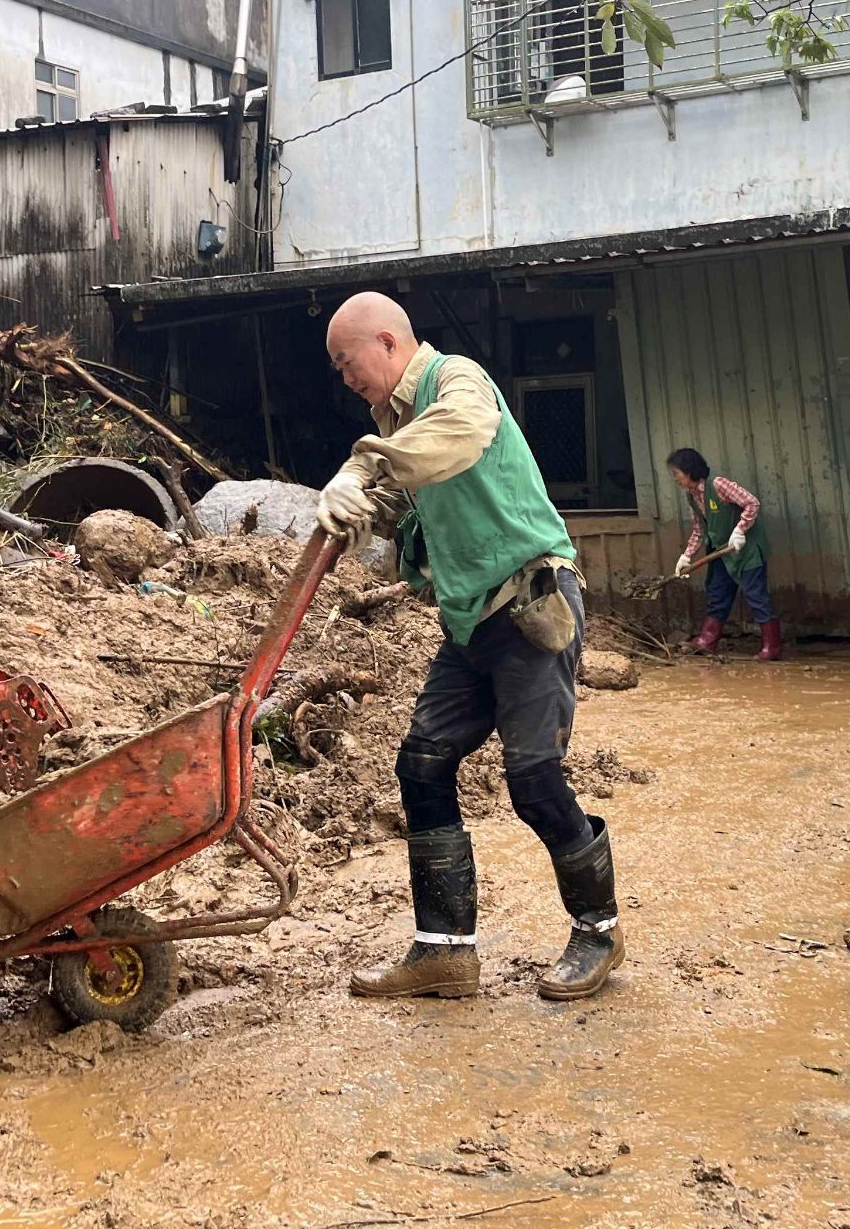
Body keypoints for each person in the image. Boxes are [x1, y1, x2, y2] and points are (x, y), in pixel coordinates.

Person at [314, 292, 623, 1004]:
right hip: (470, 623)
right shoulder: (391, 421)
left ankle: (599, 929)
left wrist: (364, 469)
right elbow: (405, 496)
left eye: (345, 361)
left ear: (386, 343)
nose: (345, 377)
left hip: (528, 601)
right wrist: (366, 514)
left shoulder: (458, 381)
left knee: (534, 780)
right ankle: (445, 951)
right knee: (421, 763)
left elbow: (455, 435)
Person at [667, 448, 781, 661]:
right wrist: (686, 556)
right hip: (721, 551)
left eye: (676, 473)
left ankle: (772, 646)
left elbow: (752, 503)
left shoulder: (718, 485)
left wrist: (740, 530)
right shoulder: (691, 496)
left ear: (689, 469)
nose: (675, 478)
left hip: (746, 550)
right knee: (717, 593)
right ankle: (707, 641)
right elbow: (700, 529)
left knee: (756, 596)